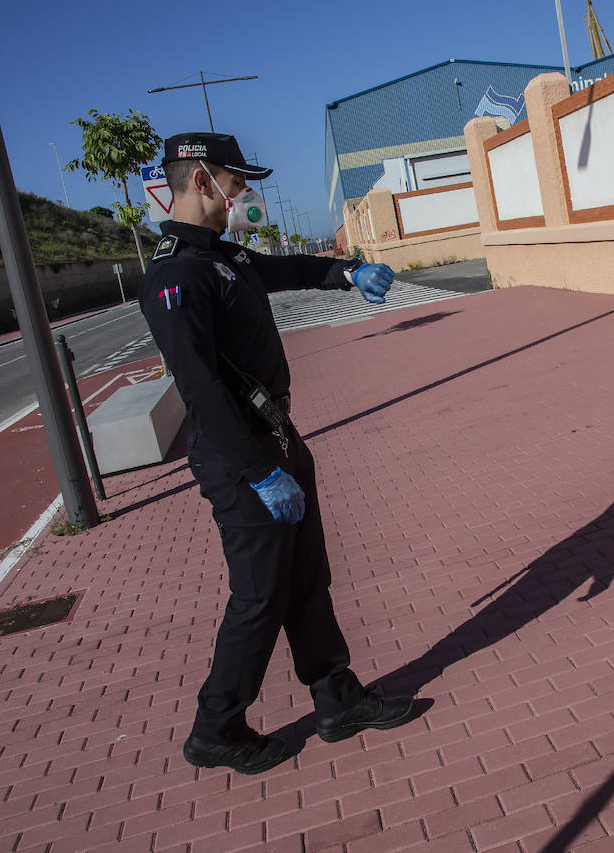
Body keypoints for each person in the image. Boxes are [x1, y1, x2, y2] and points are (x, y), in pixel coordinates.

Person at [138, 132, 420, 775]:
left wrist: (347, 272)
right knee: (260, 595)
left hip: (278, 441)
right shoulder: (175, 273)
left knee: (306, 580)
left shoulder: (220, 257)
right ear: (203, 181)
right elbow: (200, 389)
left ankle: (336, 698)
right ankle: (216, 727)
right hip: (241, 459)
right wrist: (260, 471)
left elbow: (287, 270)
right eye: (237, 182)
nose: (246, 194)